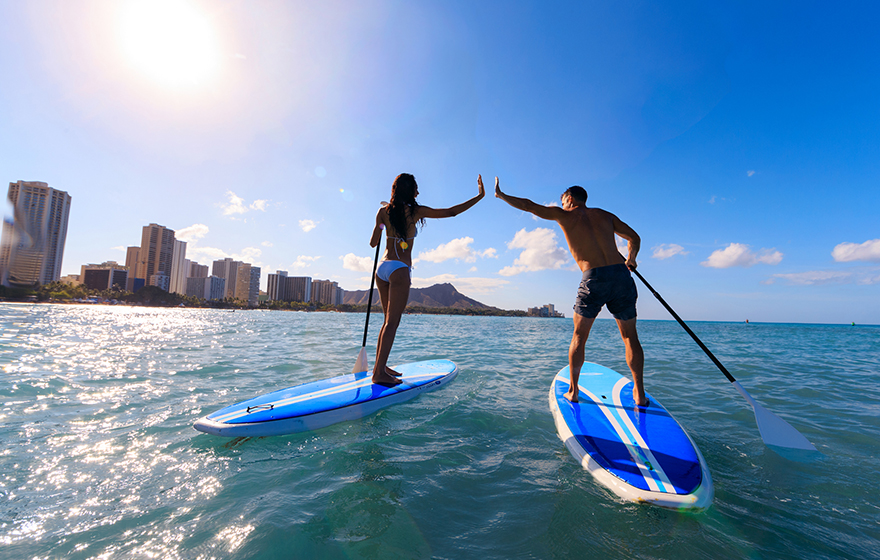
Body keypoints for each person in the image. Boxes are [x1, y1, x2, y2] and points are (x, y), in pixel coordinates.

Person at [494, 178, 647, 406]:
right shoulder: (606, 215)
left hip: (594, 277)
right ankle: (640, 394)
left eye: (563, 200)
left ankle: (573, 391)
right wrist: (631, 259)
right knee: (629, 337)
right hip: (621, 276)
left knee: (579, 337)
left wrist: (501, 195)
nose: (562, 204)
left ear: (570, 198)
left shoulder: (565, 215)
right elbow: (634, 237)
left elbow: (529, 205)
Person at [369, 173, 485, 386]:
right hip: (399, 270)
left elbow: (373, 242)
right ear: (409, 191)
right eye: (416, 189)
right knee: (392, 323)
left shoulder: (382, 212)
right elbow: (451, 212)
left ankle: (380, 366)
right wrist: (479, 196)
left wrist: (384, 221)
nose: (418, 193)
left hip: (382, 269)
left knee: (387, 323)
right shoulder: (415, 211)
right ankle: (378, 374)